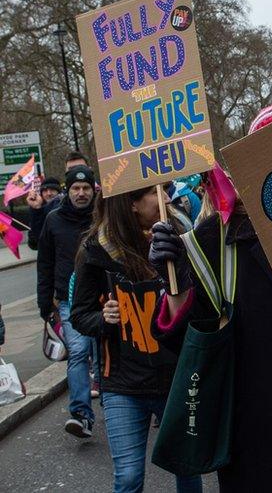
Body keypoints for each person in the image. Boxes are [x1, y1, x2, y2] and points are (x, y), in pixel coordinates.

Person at [149, 102, 272, 492]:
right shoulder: (213, 242)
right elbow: (188, 342)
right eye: (266, 151)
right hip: (254, 444)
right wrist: (176, 282)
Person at [70, 187, 202, 493]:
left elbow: (204, 302)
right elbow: (80, 316)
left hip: (176, 381)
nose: (167, 198)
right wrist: (104, 318)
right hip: (123, 387)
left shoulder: (179, 237)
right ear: (131, 204)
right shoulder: (95, 251)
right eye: (156, 193)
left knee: (187, 469)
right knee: (128, 477)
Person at [36, 165, 96, 438]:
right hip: (68, 302)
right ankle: (81, 414)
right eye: (75, 188)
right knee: (79, 352)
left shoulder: (102, 217)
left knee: (106, 355)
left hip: (104, 299)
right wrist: (44, 304)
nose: (81, 193)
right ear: (67, 191)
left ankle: (120, 403)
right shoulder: (53, 220)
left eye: (85, 188)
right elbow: (44, 264)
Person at [27, 152, 90, 250]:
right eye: (71, 170)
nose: (77, 173)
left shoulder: (105, 201)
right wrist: (36, 210)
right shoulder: (55, 207)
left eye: (81, 168)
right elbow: (39, 242)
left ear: (89, 169)